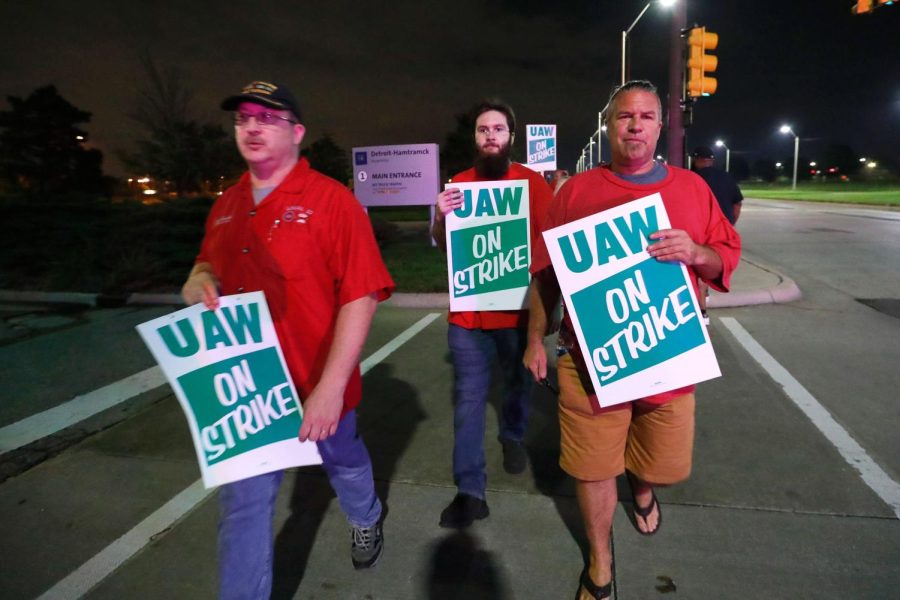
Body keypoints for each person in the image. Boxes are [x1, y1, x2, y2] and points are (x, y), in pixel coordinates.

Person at [523, 81, 740, 600]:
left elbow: (724, 258)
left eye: (646, 116)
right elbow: (546, 277)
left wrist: (695, 251)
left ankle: (641, 486)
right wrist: (535, 337)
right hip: (588, 360)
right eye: (624, 116)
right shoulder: (573, 192)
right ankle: (600, 565)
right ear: (610, 125)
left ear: (660, 127)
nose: (635, 125)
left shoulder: (691, 189)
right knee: (593, 467)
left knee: (664, 464)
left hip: (666, 353)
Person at [181, 80, 394, 599]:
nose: (251, 126)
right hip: (249, 393)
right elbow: (207, 261)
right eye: (243, 117)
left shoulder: (332, 202)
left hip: (316, 382)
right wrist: (198, 277)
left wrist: (329, 387)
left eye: (267, 117)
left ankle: (365, 514)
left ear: (297, 133)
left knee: (342, 458)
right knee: (244, 508)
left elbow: (361, 295)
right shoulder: (227, 205)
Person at [431, 99, 554, 528]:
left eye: (498, 129)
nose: (490, 136)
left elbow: (546, 247)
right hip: (467, 319)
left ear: (510, 137)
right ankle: (469, 490)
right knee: (467, 400)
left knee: (517, 384)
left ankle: (512, 433)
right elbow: (447, 247)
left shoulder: (533, 184)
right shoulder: (459, 185)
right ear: (476, 137)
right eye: (483, 129)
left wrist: (541, 316)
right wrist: (438, 217)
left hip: (517, 315)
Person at [691, 145, 744, 321]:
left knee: (699, 267)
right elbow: (737, 204)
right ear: (712, 160)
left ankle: (702, 311)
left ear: (696, 160)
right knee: (712, 268)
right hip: (721, 232)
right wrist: (730, 225)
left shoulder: (692, 178)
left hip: (699, 229)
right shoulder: (727, 178)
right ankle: (703, 304)